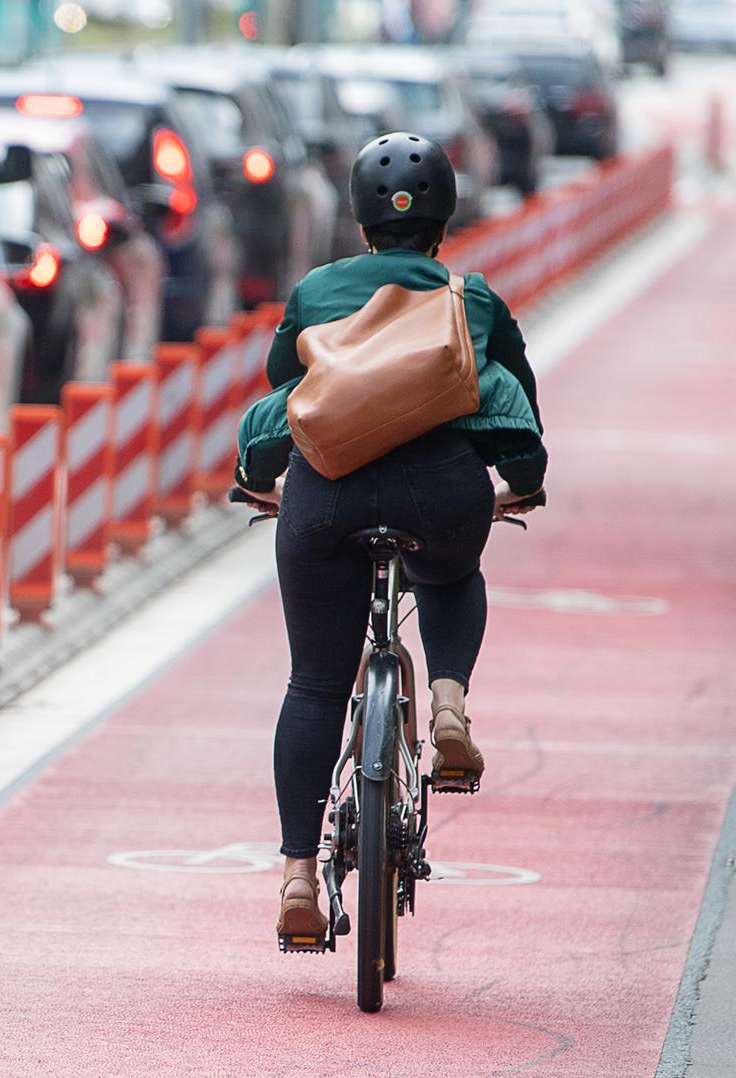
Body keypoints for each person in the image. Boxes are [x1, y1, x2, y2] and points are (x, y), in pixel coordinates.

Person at [233, 133, 547, 946]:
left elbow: (286, 399)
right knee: (448, 574)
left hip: (324, 500)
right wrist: (524, 478)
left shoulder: (312, 292)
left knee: (312, 686)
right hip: (440, 491)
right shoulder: (469, 298)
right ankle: (448, 705)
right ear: (443, 219)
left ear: (358, 222)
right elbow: (514, 402)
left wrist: (257, 475)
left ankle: (300, 876)